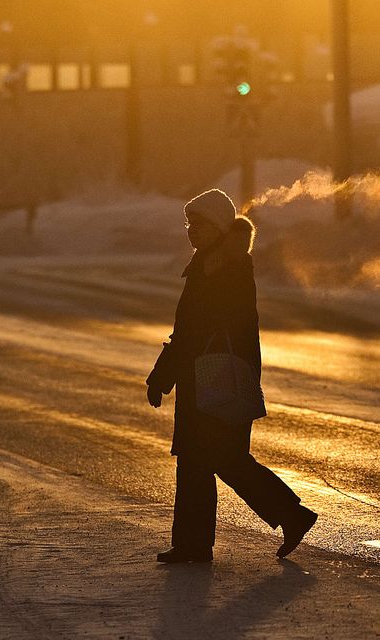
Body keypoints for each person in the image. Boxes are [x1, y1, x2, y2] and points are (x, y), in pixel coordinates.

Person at [146, 188, 317, 563]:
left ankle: (291, 515)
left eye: (201, 224)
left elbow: (196, 330)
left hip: (217, 377)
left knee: (222, 457)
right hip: (205, 376)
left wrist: (164, 373)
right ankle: (194, 544)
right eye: (190, 224)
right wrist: (166, 373)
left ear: (220, 227)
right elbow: (190, 329)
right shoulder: (209, 263)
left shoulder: (227, 269)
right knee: (198, 458)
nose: (193, 231)